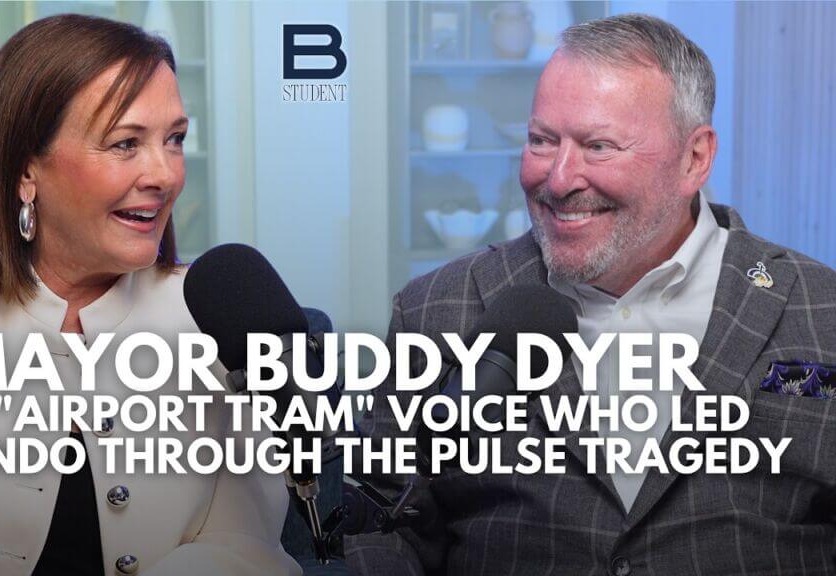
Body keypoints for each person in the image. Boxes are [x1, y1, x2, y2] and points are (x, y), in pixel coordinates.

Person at [344, 13, 836, 575]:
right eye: (541, 140)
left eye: (599, 146)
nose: (557, 179)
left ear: (694, 158)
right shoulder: (432, 310)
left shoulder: (821, 309)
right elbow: (379, 526)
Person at [0, 14, 299, 576]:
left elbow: (248, 548)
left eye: (175, 140)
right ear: (26, 171)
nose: (164, 174)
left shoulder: (217, 315)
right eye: (125, 143)